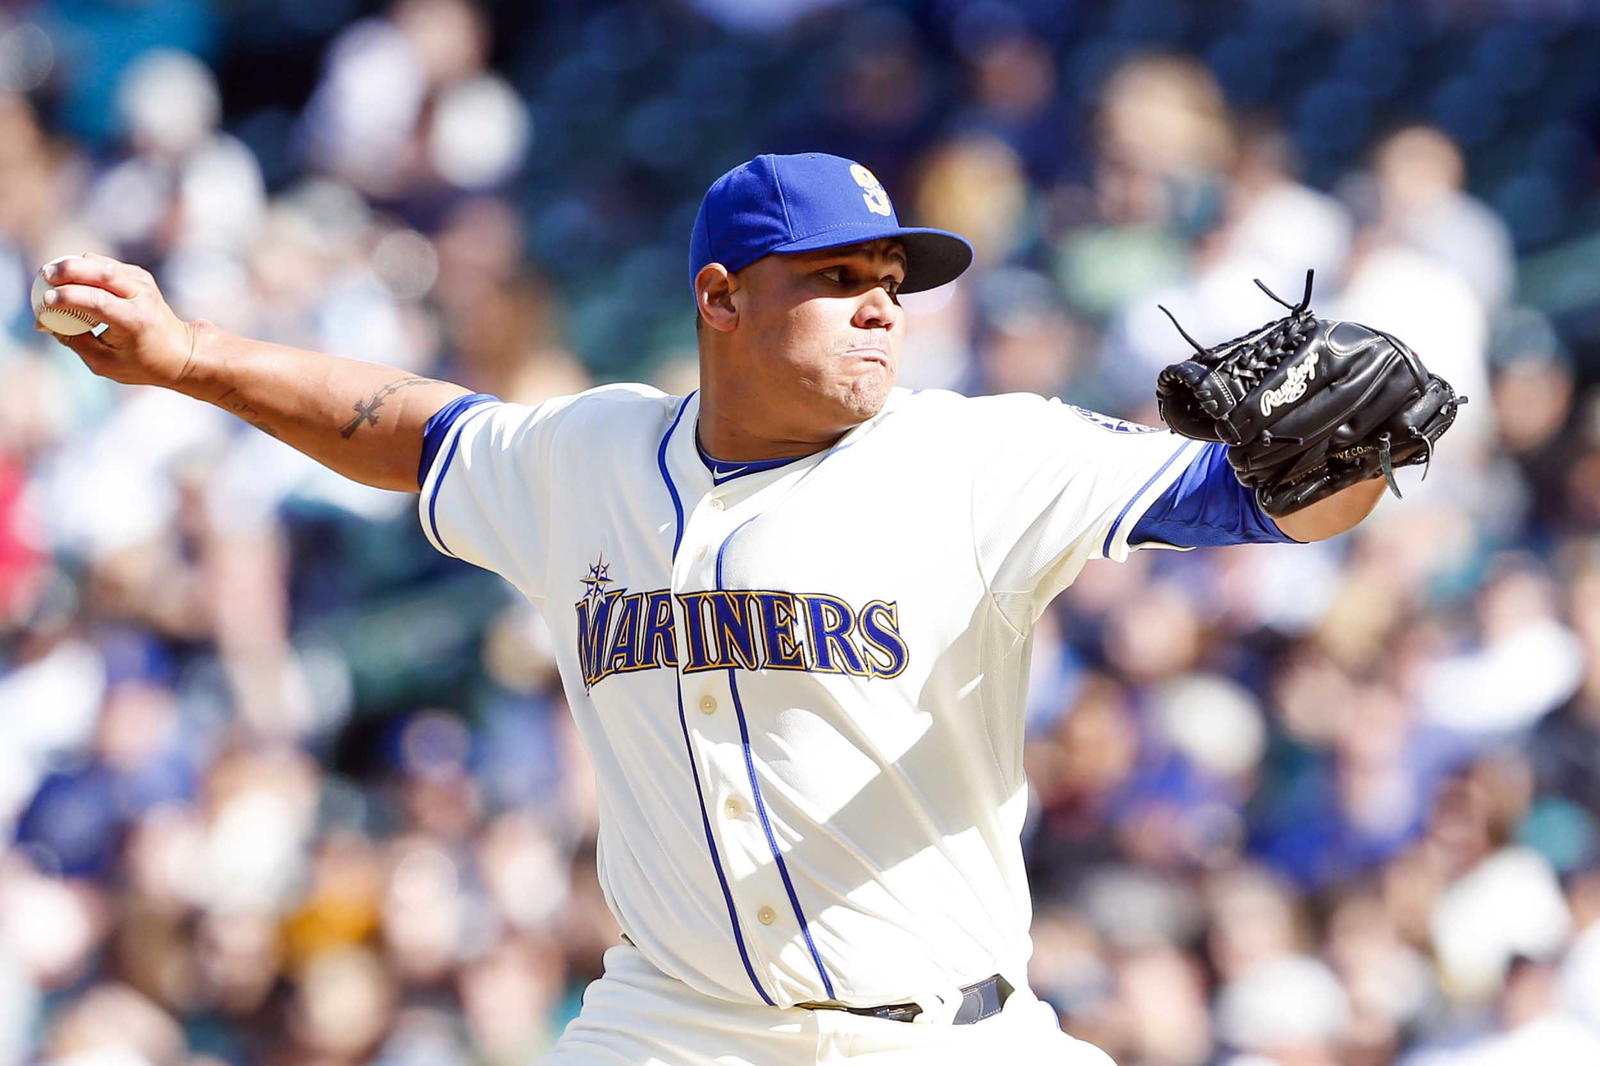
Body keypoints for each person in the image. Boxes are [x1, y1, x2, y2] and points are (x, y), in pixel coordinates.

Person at [42, 152, 1386, 1064]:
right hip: (673, 1025)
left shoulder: (980, 455)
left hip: (936, 1034)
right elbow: (411, 428)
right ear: (721, 299)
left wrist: (1358, 464)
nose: (880, 311)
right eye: (838, 279)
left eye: (890, 284)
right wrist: (192, 356)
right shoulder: (589, 457)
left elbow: (1254, 502)